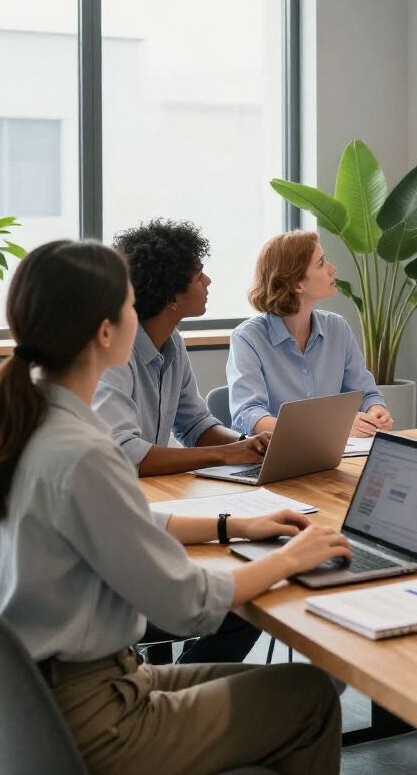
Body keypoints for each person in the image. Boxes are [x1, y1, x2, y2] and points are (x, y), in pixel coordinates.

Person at [0, 240, 351, 775]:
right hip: (102, 720)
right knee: (310, 699)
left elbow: (126, 522)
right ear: (104, 332)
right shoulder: (84, 452)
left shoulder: (35, 423)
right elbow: (185, 604)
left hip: (62, 696)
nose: (136, 313)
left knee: (296, 686)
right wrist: (289, 558)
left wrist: (233, 524)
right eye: (127, 305)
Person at [92, 218, 268, 663]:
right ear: (171, 293)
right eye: (198, 275)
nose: (208, 280)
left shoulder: (172, 344)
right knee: (245, 604)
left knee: (236, 576)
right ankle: (178, 695)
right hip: (121, 542)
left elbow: (195, 423)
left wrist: (245, 443)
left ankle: (177, 682)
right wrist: (222, 453)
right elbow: (127, 455)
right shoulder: (115, 355)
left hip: (146, 513)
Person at [227, 230, 393, 438]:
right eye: (321, 263)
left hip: (335, 455)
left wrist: (375, 410)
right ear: (296, 283)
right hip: (272, 459)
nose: (332, 269)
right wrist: (331, 427)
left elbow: (366, 393)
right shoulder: (248, 338)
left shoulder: (337, 328)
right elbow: (249, 416)